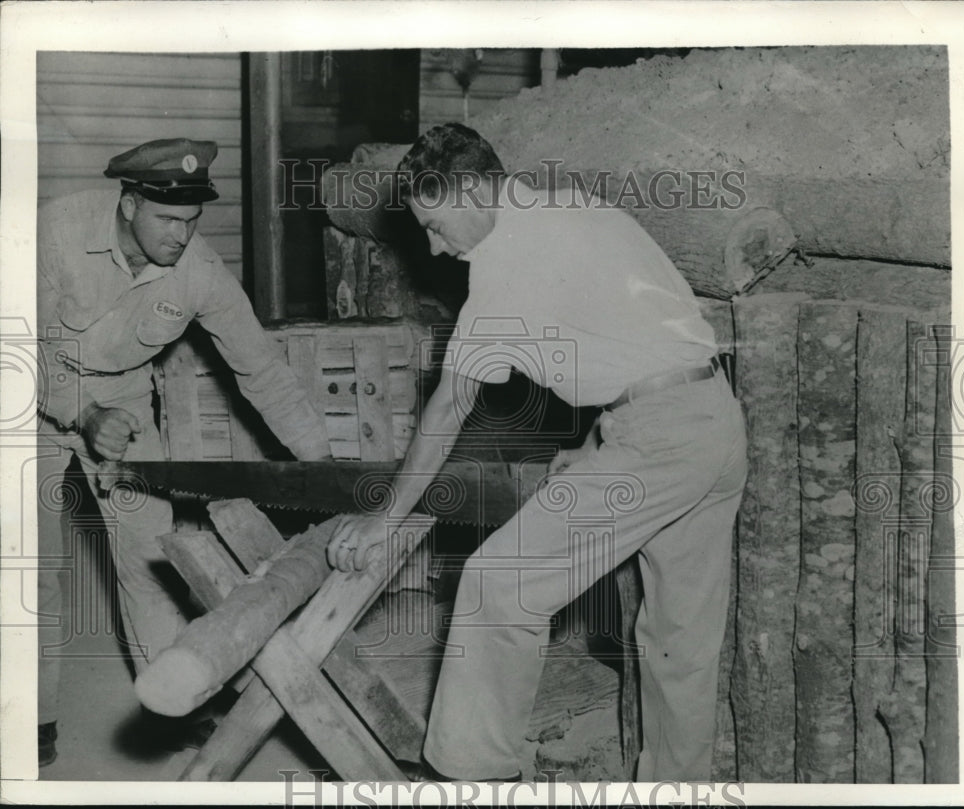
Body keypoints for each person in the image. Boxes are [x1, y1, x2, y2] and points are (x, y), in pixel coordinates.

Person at [327, 123, 748, 781]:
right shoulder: (570, 206)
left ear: (471, 190)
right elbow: (633, 339)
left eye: (436, 225)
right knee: (680, 649)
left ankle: (477, 778)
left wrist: (385, 519)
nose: (436, 249)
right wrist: (596, 441)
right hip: (712, 421)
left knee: (500, 583)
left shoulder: (506, 259)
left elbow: (449, 407)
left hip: (660, 441)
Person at [36, 138, 332, 766]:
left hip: (123, 403)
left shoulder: (199, 271)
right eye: (167, 219)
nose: (181, 235)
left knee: (150, 556)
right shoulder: (56, 234)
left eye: (192, 220)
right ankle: (33, 712)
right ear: (128, 202)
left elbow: (263, 371)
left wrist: (323, 465)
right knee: (32, 566)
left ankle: (174, 702)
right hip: (29, 399)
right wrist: (82, 414)